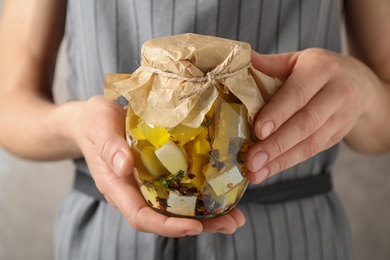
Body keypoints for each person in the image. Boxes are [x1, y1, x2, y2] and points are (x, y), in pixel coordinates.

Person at [0, 0, 389, 259]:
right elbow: (9, 102)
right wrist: (76, 126)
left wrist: (363, 90)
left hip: (293, 238)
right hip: (108, 239)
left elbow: (381, 129)